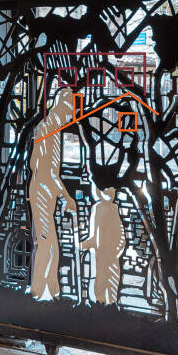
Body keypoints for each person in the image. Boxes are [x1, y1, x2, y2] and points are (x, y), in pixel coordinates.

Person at [28, 89, 78, 300]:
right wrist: (66, 196)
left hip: (44, 190)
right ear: (64, 107)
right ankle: (39, 290)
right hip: (42, 191)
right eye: (71, 110)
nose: (71, 116)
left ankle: (49, 290)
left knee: (49, 244)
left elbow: (38, 165)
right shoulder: (50, 129)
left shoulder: (49, 127)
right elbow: (47, 169)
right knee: (47, 243)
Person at [80, 185, 124, 304]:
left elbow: (121, 234)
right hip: (104, 254)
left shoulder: (110, 208)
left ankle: (107, 304)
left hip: (109, 254)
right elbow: (94, 236)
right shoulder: (100, 208)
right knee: (103, 282)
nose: (110, 194)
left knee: (107, 282)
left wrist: (117, 250)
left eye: (112, 190)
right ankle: (105, 304)